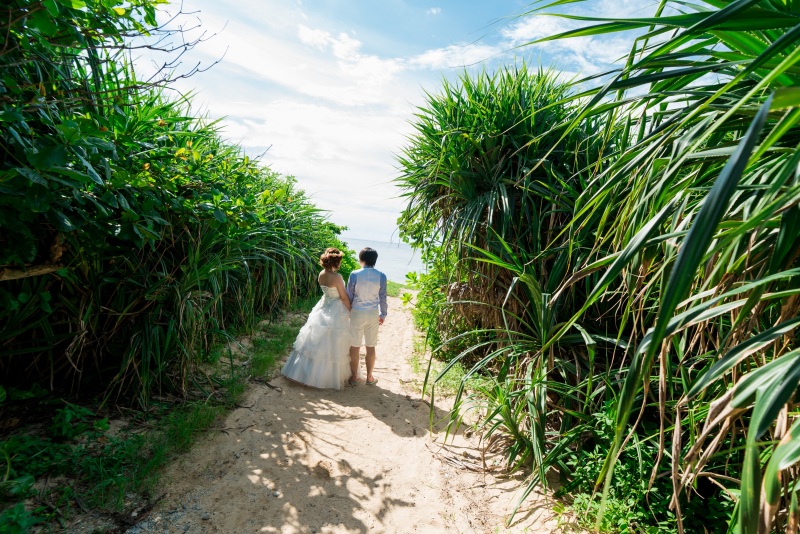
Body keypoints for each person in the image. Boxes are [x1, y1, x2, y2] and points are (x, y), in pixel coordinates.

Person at [281, 248, 352, 389]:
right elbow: (343, 296)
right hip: (335, 308)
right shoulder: (337, 277)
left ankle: (304, 373)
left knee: (314, 341)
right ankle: (327, 378)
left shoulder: (321, 274)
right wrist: (350, 310)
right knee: (333, 342)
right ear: (336, 262)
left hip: (324, 305)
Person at [346, 247, 387, 386]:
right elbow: (383, 297)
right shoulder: (381, 275)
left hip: (357, 312)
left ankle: (353, 378)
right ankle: (369, 377)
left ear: (361, 259)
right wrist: (383, 314)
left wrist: (349, 311)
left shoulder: (354, 274)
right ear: (375, 260)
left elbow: (349, 295)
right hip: (372, 313)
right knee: (371, 346)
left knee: (355, 346)